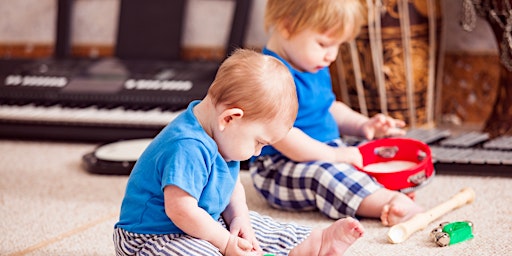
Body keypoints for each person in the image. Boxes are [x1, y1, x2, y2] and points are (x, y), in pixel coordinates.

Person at [113, 49, 364, 256]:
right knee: (201, 250)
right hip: (152, 237)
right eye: (258, 142)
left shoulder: (222, 136)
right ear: (231, 118)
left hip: (200, 222)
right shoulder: (187, 146)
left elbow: (231, 186)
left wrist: (239, 219)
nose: (257, 153)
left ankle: (314, 244)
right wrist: (224, 243)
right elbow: (181, 210)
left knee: (256, 225)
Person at [249, 0, 424, 227]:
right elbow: (284, 136)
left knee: (370, 151)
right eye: (323, 44)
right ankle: (385, 201)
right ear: (287, 26)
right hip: (278, 166)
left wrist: (364, 124)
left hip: (325, 149)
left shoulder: (312, 65)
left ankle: (376, 188)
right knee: (324, 175)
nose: (331, 55)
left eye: (338, 45)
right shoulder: (269, 77)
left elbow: (329, 107)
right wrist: (335, 156)